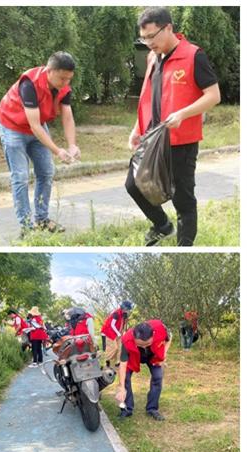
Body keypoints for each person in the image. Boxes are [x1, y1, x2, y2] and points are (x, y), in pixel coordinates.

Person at [126, 7, 221, 246]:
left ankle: (184, 248)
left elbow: (213, 95)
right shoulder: (152, 57)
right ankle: (162, 225)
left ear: (168, 27)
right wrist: (137, 129)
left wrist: (183, 113)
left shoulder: (193, 55)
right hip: (152, 138)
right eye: (143, 38)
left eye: (152, 36)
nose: (148, 43)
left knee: (183, 200)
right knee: (133, 184)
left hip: (182, 141)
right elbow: (149, 97)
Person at [0, 51, 80, 235]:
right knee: (20, 176)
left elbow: (67, 117)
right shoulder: (30, 83)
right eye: (62, 78)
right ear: (49, 71)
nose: (66, 83)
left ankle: (41, 219)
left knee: (46, 172)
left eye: (69, 79)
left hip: (37, 127)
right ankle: (27, 225)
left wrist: (72, 144)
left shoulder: (64, 87)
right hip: (13, 126)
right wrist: (58, 151)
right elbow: (34, 126)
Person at [116, 319, 172, 421]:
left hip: (154, 355)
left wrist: (164, 354)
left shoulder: (160, 328)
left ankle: (152, 409)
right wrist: (121, 387)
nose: (144, 347)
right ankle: (127, 409)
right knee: (125, 378)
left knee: (158, 377)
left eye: (147, 344)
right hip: (135, 355)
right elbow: (123, 364)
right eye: (141, 345)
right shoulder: (127, 339)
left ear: (153, 334)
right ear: (134, 337)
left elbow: (169, 338)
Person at [100, 301, 134, 368]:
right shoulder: (116, 313)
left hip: (118, 333)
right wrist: (118, 333)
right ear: (124, 308)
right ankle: (107, 360)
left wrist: (123, 332)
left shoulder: (124, 314)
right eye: (128, 309)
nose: (129, 311)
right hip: (110, 332)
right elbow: (112, 325)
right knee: (114, 348)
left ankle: (117, 362)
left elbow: (123, 324)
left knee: (120, 347)